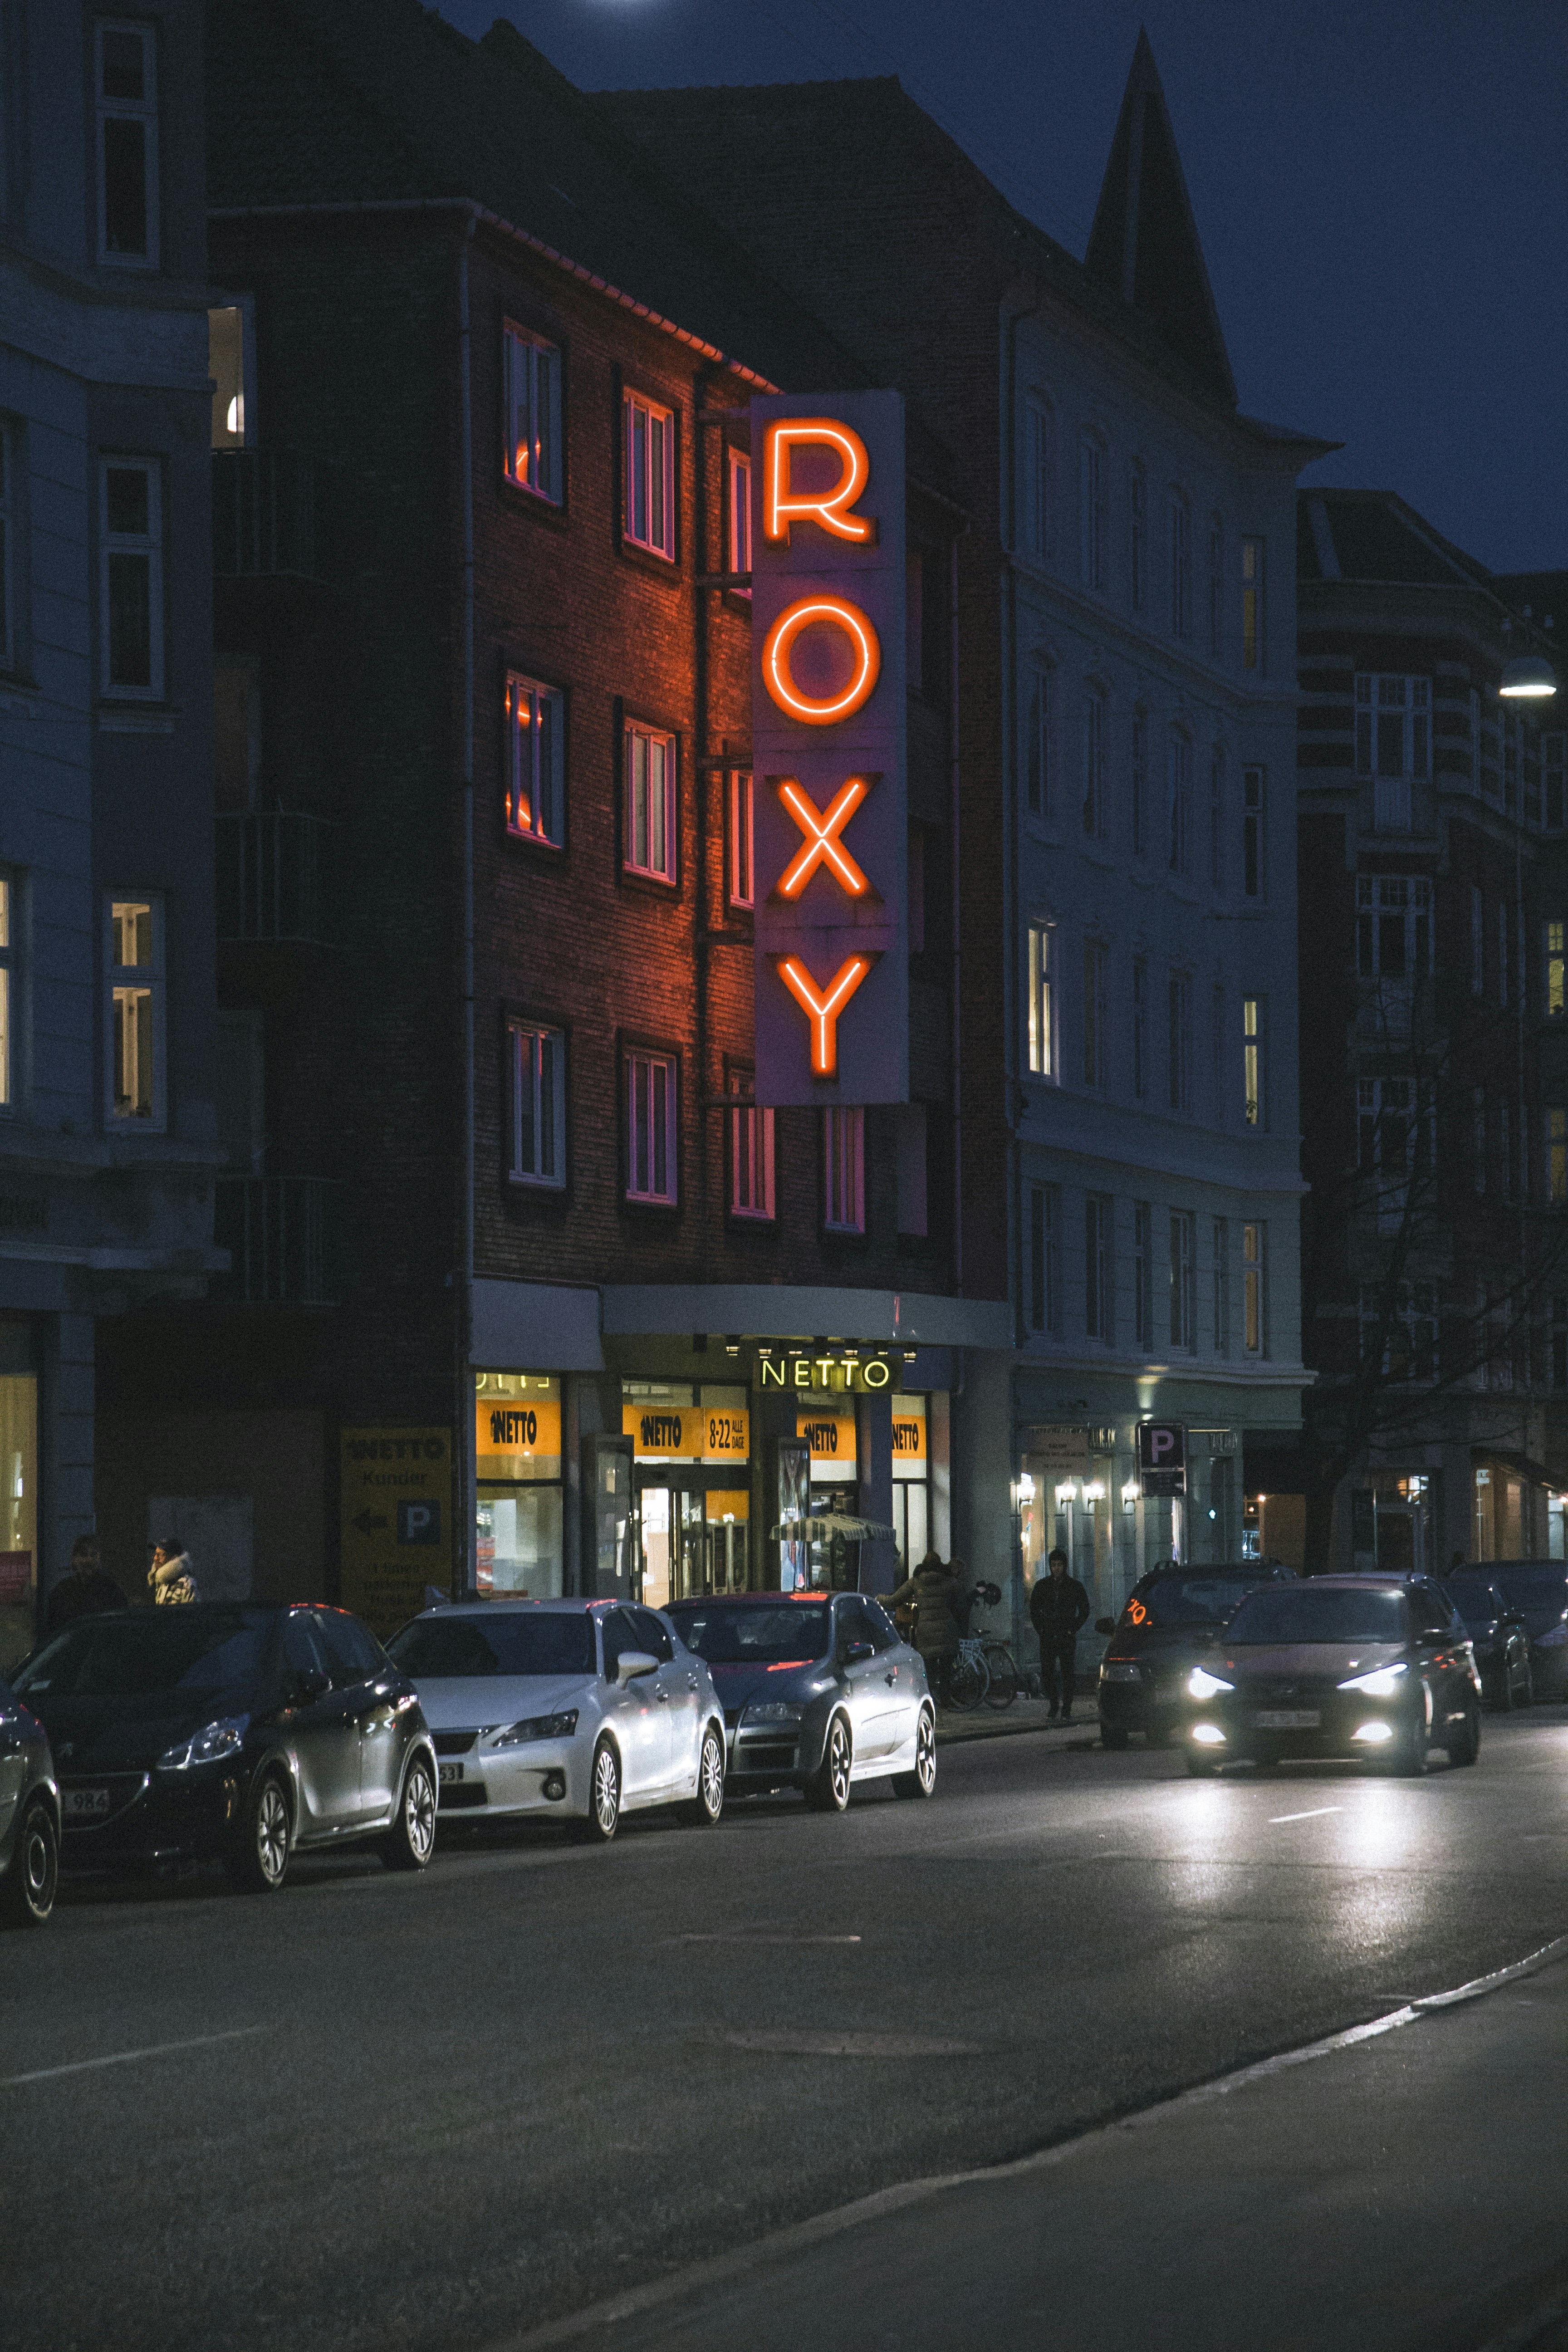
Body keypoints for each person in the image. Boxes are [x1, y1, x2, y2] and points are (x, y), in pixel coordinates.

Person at [884, 1550, 966, 1707]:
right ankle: (947, 1701)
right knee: (946, 1671)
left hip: (926, 1632)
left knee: (928, 1670)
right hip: (947, 1630)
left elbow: (895, 1600)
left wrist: (878, 1598)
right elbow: (961, 1604)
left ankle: (930, 1701)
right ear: (940, 1563)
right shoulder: (950, 1581)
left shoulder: (916, 1581)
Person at [1029, 1546, 1090, 1720]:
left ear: (1065, 1566)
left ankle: (1067, 1708)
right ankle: (1054, 1704)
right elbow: (1034, 1610)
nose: (1057, 1568)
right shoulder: (1043, 1586)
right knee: (1048, 1672)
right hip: (1048, 1634)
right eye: (1054, 1565)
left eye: (1059, 1565)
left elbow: (1085, 1610)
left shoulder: (1074, 1586)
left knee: (1067, 1673)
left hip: (1065, 1635)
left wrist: (1073, 1628)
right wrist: (1041, 1629)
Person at [44, 1534, 127, 1634]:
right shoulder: (63, 1591)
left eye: (93, 1555)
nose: (89, 1560)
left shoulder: (111, 1590)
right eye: (84, 1555)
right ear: (75, 1559)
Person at [148, 1539, 200, 1606]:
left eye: (161, 1555)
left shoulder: (187, 1584)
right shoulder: (159, 1582)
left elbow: (192, 1614)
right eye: (155, 1554)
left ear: (174, 1558)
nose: (155, 1558)